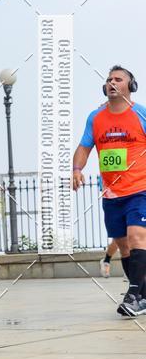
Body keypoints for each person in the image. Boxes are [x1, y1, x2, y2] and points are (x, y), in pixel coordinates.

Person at [73, 65, 146, 316]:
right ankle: (142, 294)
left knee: (137, 236)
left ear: (130, 86)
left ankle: (134, 295)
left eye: (118, 79)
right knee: (124, 246)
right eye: (109, 79)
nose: (112, 82)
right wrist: (76, 169)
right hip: (112, 194)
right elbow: (84, 147)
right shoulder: (96, 117)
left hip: (141, 189)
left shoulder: (141, 114)